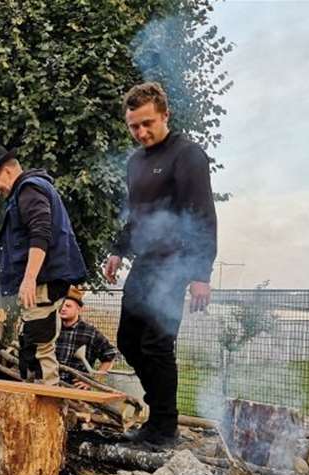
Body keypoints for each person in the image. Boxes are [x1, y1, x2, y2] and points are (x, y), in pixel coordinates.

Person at [104, 82, 217, 447]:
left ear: (165, 115)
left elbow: (202, 214)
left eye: (147, 123)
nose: (141, 132)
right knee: (127, 340)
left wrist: (201, 274)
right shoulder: (136, 162)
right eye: (134, 126)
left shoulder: (188, 155)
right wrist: (118, 249)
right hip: (145, 262)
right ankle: (158, 415)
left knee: (156, 344)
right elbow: (137, 215)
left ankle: (164, 427)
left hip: (177, 263)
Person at [0, 147, 87, 385]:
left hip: (42, 282)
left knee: (39, 346)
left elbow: (40, 232)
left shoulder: (28, 189)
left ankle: (45, 407)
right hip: (43, 281)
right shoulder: (29, 190)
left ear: (6, 171)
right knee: (31, 343)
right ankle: (35, 402)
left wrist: (29, 279)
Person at [55, 286, 119, 389]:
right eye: (61, 305)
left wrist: (92, 381)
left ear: (79, 309)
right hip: (52, 385)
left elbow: (110, 355)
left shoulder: (89, 332)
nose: (63, 308)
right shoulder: (52, 329)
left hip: (76, 390)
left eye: (68, 306)